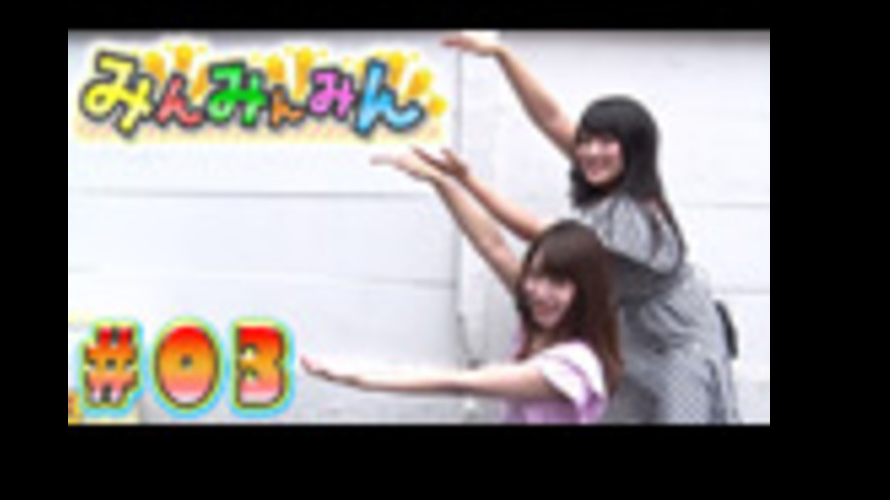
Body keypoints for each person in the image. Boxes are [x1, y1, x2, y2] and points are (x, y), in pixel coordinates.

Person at [438, 32, 740, 423]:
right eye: (586, 141)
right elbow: (551, 119)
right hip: (636, 333)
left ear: (634, 150)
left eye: (606, 142)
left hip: (680, 342)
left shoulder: (634, 213)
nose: (591, 152)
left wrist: (466, 180)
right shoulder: (610, 180)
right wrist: (501, 55)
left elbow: (539, 232)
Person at [302, 149, 622, 424]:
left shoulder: (573, 366)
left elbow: (460, 383)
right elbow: (492, 245)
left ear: (585, 291)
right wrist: (441, 182)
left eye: (558, 283)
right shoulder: (539, 317)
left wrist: (358, 377)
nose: (540, 292)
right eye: (535, 276)